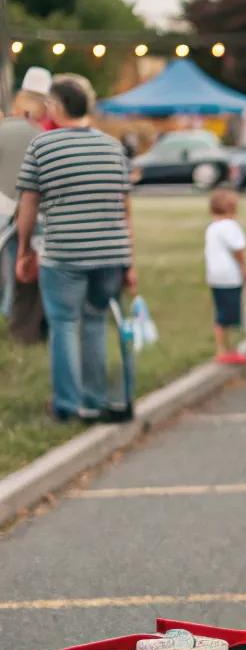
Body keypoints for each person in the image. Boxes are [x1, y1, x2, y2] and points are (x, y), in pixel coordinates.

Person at [15, 73, 136, 422]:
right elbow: (126, 210)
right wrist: (129, 261)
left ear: (55, 106)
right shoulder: (114, 148)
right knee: (95, 322)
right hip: (110, 255)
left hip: (63, 252)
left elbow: (29, 205)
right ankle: (95, 398)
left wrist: (24, 250)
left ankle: (68, 404)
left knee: (65, 324)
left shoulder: (43, 146)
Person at [0, 71, 51, 324]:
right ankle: (11, 311)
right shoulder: (41, 136)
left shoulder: (3, 129)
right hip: (27, 210)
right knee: (18, 264)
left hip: (4, 206)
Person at [204, 188, 246, 364]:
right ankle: (226, 349)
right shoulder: (231, 227)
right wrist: (244, 268)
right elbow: (238, 250)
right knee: (230, 315)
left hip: (214, 275)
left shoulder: (212, 227)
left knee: (220, 312)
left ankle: (223, 347)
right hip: (229, 275)